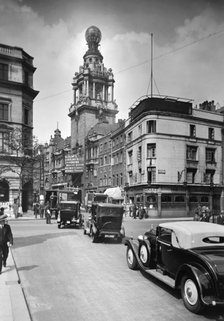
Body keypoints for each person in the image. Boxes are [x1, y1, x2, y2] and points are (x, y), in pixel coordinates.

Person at [0, 208, 13, 273]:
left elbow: (10, 235)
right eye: (2, 221)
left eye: (4, 221)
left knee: (6, 254)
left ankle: (4, 261)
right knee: (0, 255)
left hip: (5, 243)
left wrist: (10, 242)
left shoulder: (7, 227)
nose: (4, 222)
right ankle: (0, 270)